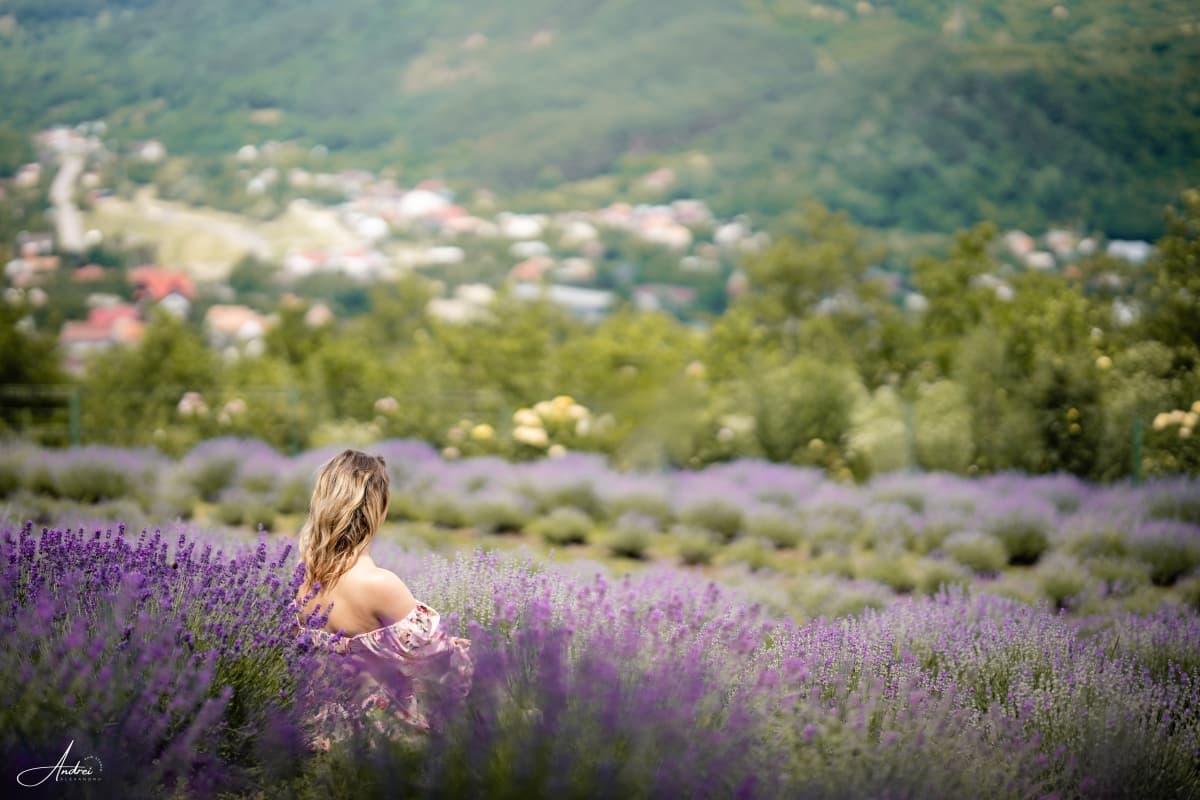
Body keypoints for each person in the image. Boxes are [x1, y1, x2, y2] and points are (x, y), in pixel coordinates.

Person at [295, 449, 472, 747]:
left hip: (318, 733)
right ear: (379, 506)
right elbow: (438, 665)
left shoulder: (303, 578)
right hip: (382, 743)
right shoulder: (379, 584)